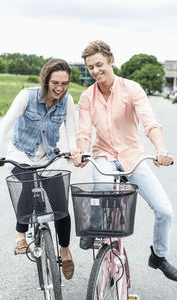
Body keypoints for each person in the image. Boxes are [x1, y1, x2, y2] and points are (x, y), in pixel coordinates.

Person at [73, 40, 177, 281]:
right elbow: (84, 134)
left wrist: (161, 149)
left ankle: (159, 256)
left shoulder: (132, 89)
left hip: (133, 157)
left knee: (165, 211)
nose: (95, 71)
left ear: (111, 61)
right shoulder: (87, 97)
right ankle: (94, 229)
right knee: (100, 193)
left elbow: (150, 124)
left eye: (99, 64)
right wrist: (80, 152)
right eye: (90, 67)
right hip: (104, 156)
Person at [0, 58, 80, 280]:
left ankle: (64, 251)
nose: (60, 88)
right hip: (21, 154)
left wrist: (73, 150)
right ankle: (20, 234)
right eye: (55, 82)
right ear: (45, 80)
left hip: (48, 156)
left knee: (60, 206)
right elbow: (4, 125)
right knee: (25, 186)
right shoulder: (26, 96)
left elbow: (71, 133)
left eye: (65, 83)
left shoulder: (67, 101)